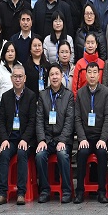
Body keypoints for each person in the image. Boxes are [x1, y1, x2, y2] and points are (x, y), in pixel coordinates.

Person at [0, 64, 36, 205]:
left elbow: (32, 121)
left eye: (20, 77)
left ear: (25, 78)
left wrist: (25, 139)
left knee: (22, 153)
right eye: (15, 76)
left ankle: (21, 193)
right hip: (10, 139)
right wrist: (4, 139)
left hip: (25, 139)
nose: (18, 79)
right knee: (4, 153)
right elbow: (0, 121)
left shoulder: (31, 96)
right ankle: (2, 193)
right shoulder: (6, 97)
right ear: (11, 78)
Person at [74, 62, 108, 204]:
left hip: (100, 137)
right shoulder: (80, 93)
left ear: (99, 74)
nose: (92, 75)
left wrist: (103, 138)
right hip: (86, 137)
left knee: (102, 153)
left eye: (94, 72)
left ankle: (101, 192)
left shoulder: (106, 92)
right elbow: (77, 118)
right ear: (85, 75)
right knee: (82, 153)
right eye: (89, 72)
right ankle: (79, 192)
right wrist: (82, 138)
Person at [35, 62, 75, 204]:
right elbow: (39, 120)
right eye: (52, 74)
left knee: (62, 154)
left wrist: (62, 140)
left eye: (57, 74)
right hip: (47, 138)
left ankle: (66, 191)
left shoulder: (69, 95)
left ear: (62, 76)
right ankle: (45, 190)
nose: (54, 77)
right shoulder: (43, 95)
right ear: (49, 77)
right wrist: (41, 140)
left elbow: (69, 121)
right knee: (40, 155)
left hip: (63, 139)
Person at [72, 32, 104, 97]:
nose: (90, 46)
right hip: (83, 99)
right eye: (88, 43)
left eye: (92, 43)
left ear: (96, 45)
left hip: (99, 99)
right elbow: (75, 87)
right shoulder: (79, 64)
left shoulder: (102, 64)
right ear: (84, 44)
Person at [0, 41, 17, 106]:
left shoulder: (20, 68)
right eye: (7, 51)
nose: (10, 54)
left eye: (12, 51)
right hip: (3, 106)